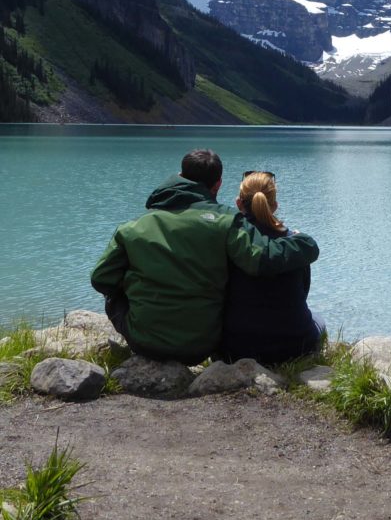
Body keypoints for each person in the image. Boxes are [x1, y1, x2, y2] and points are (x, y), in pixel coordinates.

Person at [90, 149, 319, 365]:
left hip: (144, 343)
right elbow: (260, 258)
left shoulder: (131, 228)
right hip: (201, 344)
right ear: (218, 184)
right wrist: (304, 243)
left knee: (113, 296)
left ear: (180, 176)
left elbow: (101, 279)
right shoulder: (227, 222)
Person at [220, 171, 325, 364]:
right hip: (295, 344)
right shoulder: (295, 243)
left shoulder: (229, 242)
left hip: (236, 348)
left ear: (238, 204)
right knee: (318, 320)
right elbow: (303, 290)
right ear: (274, 206)